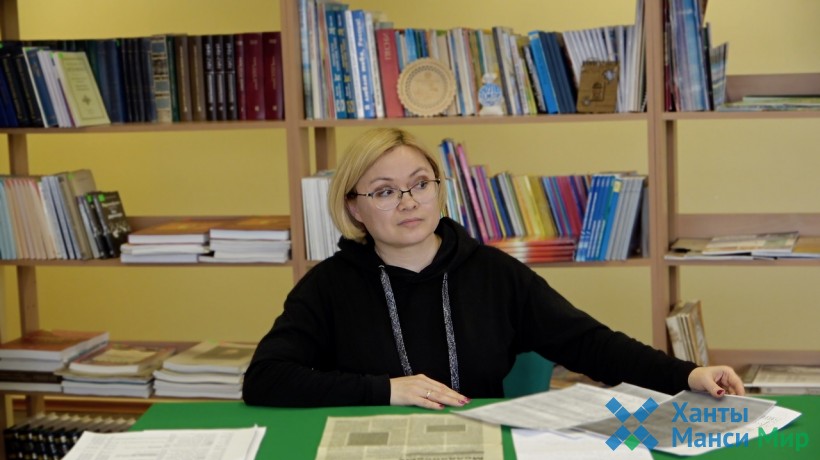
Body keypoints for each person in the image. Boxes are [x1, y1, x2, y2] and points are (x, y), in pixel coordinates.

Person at [243, 128, 745, 409]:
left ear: (439, 189)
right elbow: (265, 379)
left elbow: (590, 343)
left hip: (478, 444)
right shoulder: (328, 285)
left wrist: (688, 374)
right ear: (354, 207)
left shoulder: (493, 274)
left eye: (420, 184)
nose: (408, 202)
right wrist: (386, 389)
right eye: (384, 191)